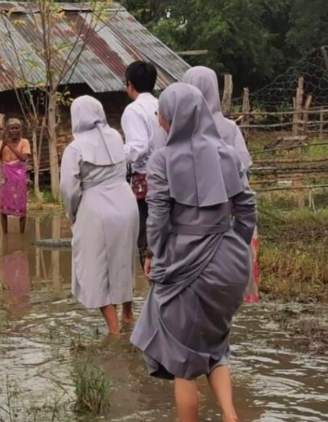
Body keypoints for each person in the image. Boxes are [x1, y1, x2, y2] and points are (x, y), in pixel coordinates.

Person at [130, 83, 256, 422]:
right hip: (230, 263)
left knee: (183, 361)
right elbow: (246, 208)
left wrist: (153, 255)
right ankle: (230, 416)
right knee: (215, 345)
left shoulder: (162, 159)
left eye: (161, 114)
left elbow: (157, 218)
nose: (159, 120)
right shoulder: (226, 153)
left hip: (184, 264)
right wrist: (234, 247)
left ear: (172, 116)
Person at [60, 96, 139, 335]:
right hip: (127, 204)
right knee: (124, 261)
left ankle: (114, 332)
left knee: (96, 268)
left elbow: (68, 188)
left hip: (96, 208)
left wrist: (72, 214)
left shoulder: (75, 148)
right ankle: (127, 314)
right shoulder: (116, 136)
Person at [182, 66, 259, 303]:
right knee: (230, 286)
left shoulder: (181, 130)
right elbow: (244, 164)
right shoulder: (229, 127)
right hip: (232, 212)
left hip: (193, 218)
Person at [122, 61, 163, 267]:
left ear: (130, 84)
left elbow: (138, 146)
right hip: (168, 176)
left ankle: (154, 289)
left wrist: (116, 154)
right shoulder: (161, 105)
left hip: (145, 181)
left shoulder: (133, 110)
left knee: (147, 239)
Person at [0, 118, 31, 234]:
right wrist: (3, 145)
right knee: (3, 206)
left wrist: (10, 146)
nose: (14, 130)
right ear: (7, 130)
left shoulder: (24, 142)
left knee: (21, 204)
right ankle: (5, 234)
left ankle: (22, 233)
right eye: (12, 128)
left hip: (19, 176)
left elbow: (23, 158)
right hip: (6, 177)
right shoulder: (2, 143)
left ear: (20, 129)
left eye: (17, 128)